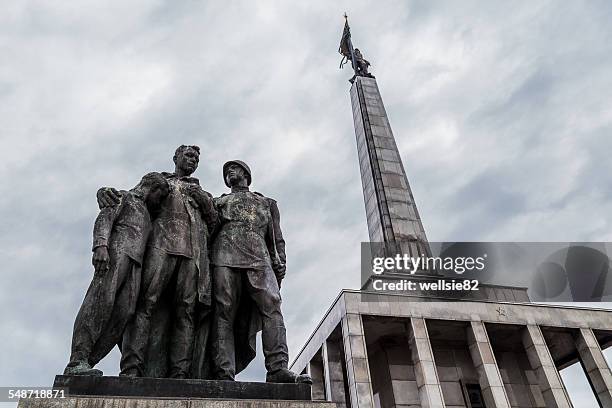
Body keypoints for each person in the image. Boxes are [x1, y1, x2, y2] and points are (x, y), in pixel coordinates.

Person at [97, 145, 217, 378]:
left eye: (196, 158)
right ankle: (132, 367)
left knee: (186, 312)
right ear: (176, 157)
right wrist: (104, 191)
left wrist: (204, 201)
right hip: (159, 247)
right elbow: (133, 197)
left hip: (192, 255)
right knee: (145, 305)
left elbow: (213, 223)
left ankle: (180, 373)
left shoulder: (201, 191)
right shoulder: (160, 181)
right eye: (189, 155)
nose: (193, 160)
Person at [210, 160, 311, 384]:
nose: (229, 173)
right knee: (223, 311)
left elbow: (277, 239)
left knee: (272, 305)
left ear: (246, 173)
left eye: (233, 169)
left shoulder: (266, 202)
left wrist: (280, 261)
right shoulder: (219, 202)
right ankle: (222, 371)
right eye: (226, 171)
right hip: (224, 256)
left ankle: (277, 368)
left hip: (259, 257)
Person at [64, 172, 169, 376]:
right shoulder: (123, 197)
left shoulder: (148, 213)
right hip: (116, 254)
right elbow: (105, 218)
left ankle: (88, 362)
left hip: (136, 265)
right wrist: (100, 246)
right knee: (100, 302)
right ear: (152, 188)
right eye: (160, 195)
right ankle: (77, 359)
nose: (160, 201)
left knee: (124, 312)